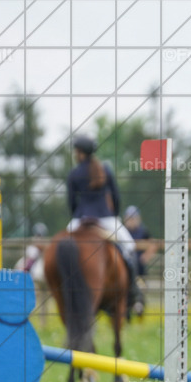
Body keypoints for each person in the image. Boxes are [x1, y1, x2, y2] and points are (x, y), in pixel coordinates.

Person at [66, 134, 144, 314]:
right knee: (129, 246)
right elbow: (116, 197)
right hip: (106, 218)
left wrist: (78, 215)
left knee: (62, 246)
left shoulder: (74, 174)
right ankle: (134, 291)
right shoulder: (105, 170)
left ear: (80, 153)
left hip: (80, 219)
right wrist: (114, 215)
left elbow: (71, 202)